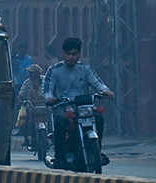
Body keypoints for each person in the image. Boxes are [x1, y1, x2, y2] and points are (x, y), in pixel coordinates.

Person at [42, 36, 113, 169]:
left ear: (79, 54)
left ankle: (97, 150)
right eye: (68, 54)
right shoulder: (54, 70)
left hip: (83, 106)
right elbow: (47, 89)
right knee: (60, 120)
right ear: (63, 54)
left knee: (98, 118)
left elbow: (97, 83)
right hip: (62, 106)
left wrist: (106, 92)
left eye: (74, 54)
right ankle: (60, 157)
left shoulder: (85, 69)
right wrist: (49, 98)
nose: (71, 57)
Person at [15, 63, 45, 149]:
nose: (30, 74)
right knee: (23, 117)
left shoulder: (45, 80)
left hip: (44, 105)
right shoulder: (27, 82)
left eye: (32, 72)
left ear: (37, 73)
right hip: (31, 105)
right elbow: (20, 95)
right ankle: (27, 139)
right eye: (30, 73)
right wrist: (21, 101)